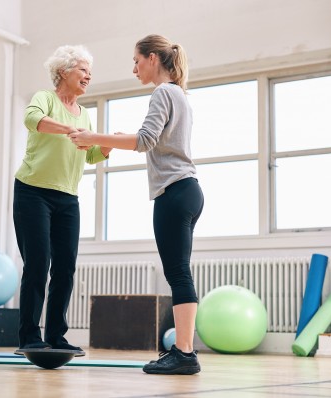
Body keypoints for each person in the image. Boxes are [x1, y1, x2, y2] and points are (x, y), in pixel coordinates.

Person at [69, 34, 204, 375]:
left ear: (154, 58)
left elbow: (145, 140)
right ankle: (185, 352)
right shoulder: (180, 95)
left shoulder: (163, 92)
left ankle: (185, 353)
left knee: (177, 273)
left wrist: (93, 137)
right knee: (180, 272)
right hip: (188, 190)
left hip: (174, 191)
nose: (134, 68)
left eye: (136, 61)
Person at [13, 45, 111, 355]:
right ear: (63, 72)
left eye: (89, 70)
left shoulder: (86, 114)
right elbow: (32, 120)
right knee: (38, 263)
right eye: (82, 69)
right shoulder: (46, 98)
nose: (88, 75)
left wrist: (106, 147)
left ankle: (56, 335)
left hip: (68, 198)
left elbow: (90, 154)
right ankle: (29, 335)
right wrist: (69, 129)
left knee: (65, 267)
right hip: (32, 192)